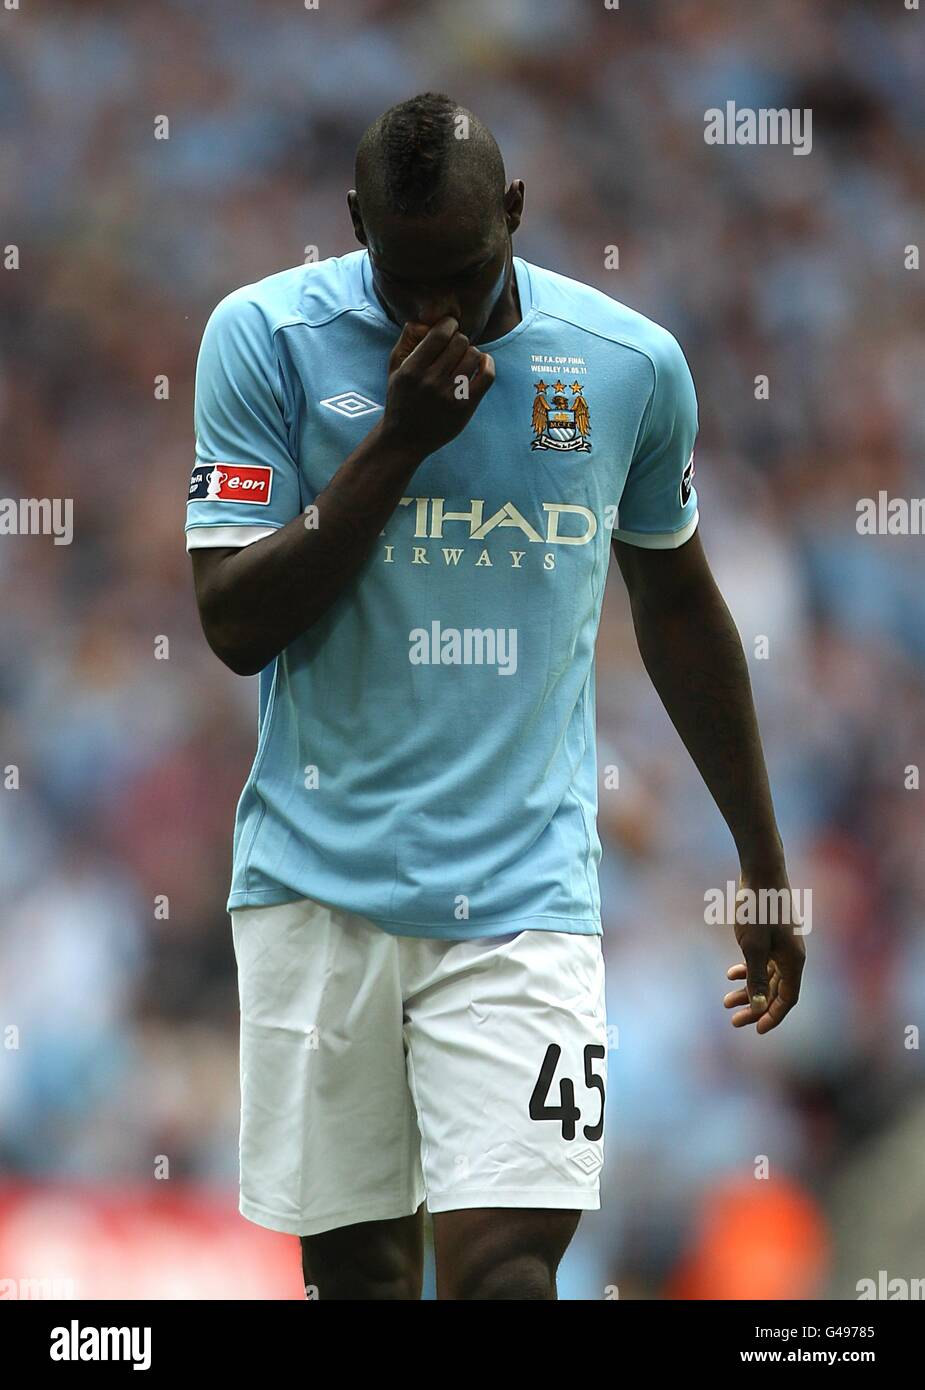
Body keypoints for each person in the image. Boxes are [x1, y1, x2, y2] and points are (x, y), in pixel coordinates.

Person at [186, 92, 805, 1300]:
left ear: (514, 216)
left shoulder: (627, 366)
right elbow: (233, 621)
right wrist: (396, 447)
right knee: (363, 1280)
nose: (433, 313)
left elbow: (678, 609)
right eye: (400, 277)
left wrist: (764, 862)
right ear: (354, 222)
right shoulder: (262, 340)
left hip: (525, 901)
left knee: (508, 1271)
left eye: (463, 277)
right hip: (317, 895)